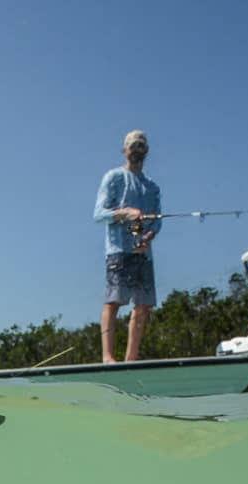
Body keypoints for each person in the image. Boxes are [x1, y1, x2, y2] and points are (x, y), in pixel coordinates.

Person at [92, 129, 162, 362]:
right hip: (118, 251)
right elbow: (99, 214)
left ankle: (131, 359)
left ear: (147, 151)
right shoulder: (113, 177)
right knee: (113, 301)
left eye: (141, 145)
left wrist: (149, 236)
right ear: (124, 150)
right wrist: (125, 213)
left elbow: (157, 221)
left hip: (143, 254)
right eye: (133, 145)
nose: (137, 149)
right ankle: (108, 356)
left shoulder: (152, 187)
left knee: (143, 306)